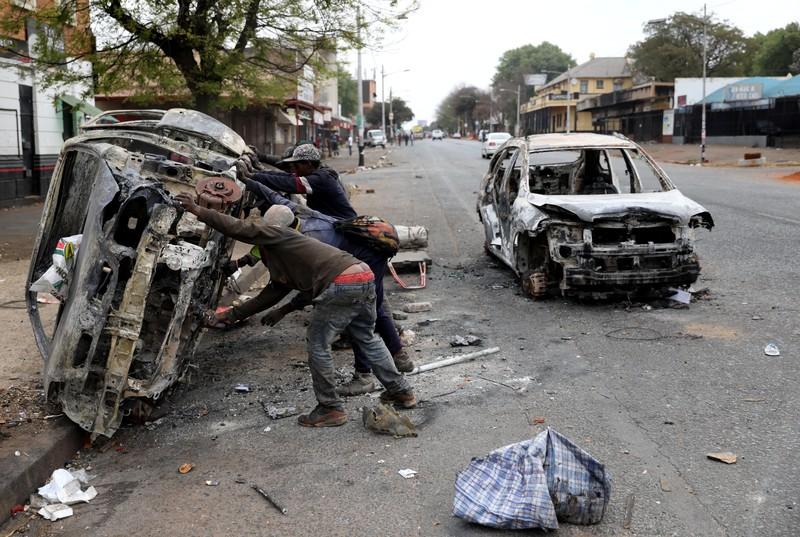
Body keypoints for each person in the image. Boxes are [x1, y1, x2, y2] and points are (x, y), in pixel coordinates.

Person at [174, 193, 417, 427]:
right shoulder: (289, 253)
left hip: (342, 282)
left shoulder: (280, 236)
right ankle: (402, 392)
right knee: (367, 338)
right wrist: (232, 316)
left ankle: (330, 408)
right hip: (362, 275)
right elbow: (270, 295)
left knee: (318, 344)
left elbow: (239, 229)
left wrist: (198, 210)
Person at [240, 179, 414, 388]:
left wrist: (285, 309)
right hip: (361, 255)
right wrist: (250, 179)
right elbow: (274, 196)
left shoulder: (313, 241)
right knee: (374, 307)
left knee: (361, 316)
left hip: (368, 260)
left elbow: (319, 286)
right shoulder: (294, 213)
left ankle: (364, 375)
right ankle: (398, 356)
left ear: (284, 231)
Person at [248, 144, 356, 220]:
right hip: (329, 221)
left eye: (296, 165)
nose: (293, 168)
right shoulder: (315, 174)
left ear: (308, 164)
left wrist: (252, 176)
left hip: (340, 225)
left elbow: (288, 183)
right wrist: (254, 173)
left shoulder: (321, 178)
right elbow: (284, 176)